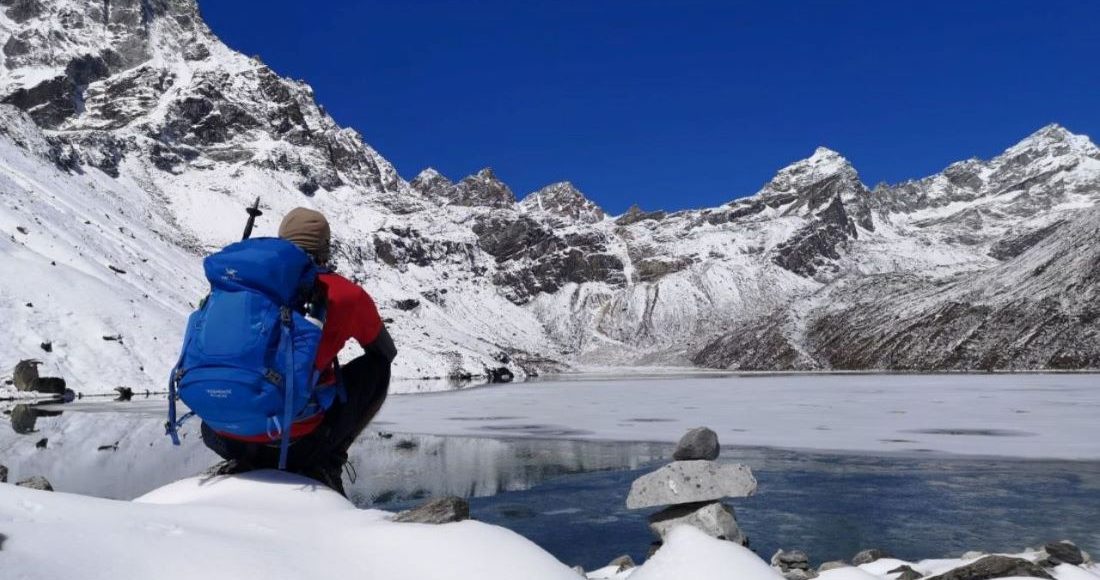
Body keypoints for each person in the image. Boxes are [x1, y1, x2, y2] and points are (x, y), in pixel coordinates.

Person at [200, 207, 397, 495]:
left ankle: (247, 451)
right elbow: (385, 352)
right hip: (297, 445)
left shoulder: (236, 286)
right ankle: (328, 461)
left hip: (221, 435)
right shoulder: (345, 294)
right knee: (377, 368)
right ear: (325, 248)